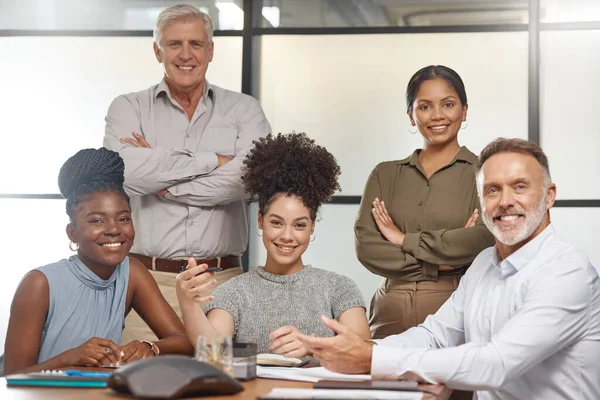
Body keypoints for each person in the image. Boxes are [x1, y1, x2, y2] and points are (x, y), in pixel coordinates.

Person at [299, 138, 600, 399]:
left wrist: (371, 358)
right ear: (481, 202)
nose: (505, 201)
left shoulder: (567, 271)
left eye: (519, 187)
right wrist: (351, 348)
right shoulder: (485, 263)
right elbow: (434, 336)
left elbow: (497, 364)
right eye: (492, 191)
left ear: (549, 196)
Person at [103, 4, 270, 344]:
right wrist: (214, 159)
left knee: (222, 388)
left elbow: (250, 179)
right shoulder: (128, 107)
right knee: (138, 385)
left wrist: (164, 184)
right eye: (174, 44)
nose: (185, 54)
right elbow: (125, 172)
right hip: (146, 284)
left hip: (223, 284)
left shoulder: (244, 109)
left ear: (210, 50)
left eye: (195, 44)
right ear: (157, 50)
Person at [176, 133, 370, 359]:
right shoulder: (233, 292)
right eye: (276, 223)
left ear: (312, 226)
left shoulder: (339, 288)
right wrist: (187, 303)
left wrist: (312, 346)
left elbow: (363, 349)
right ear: (260, 220)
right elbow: (214, 353)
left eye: (299, 225)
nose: (287, 236)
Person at [2, 148, 193, 375]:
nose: (114, 230)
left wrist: (149, 347)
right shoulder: (39, 283)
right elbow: (12, 377)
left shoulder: (131, 273)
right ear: (72, 233)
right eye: (96, 221)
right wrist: (72, 357)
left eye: (123, 219)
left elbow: (183, 342)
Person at [355, 65, 495, 339]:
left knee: (456, 383)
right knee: (381, 381)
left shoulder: (485, 172)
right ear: (411, 115)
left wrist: (402, 239)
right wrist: (440, 263)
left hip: (458, 313)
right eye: (425, 107)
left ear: (464, 110)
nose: (438, 115)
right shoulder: (385, 174)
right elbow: (368, 247)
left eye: (448, 104)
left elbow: (481, 239)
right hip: (389, 315)